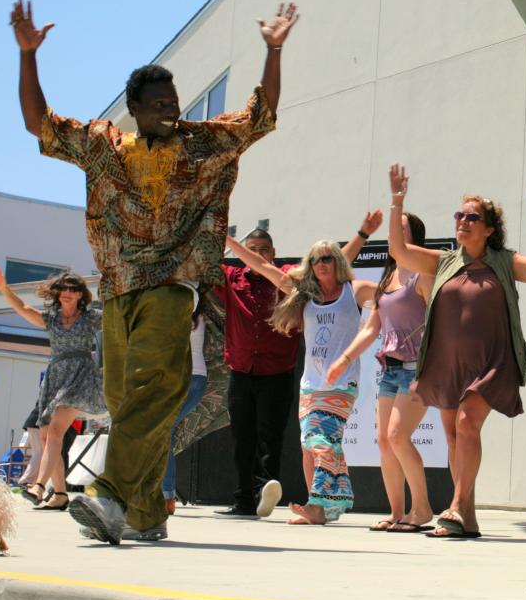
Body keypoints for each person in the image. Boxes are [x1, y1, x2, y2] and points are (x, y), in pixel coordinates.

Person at [11, 0, 294, 544]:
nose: (170, 109)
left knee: (145, 388)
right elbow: (37, 123)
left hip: (173, 285)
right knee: (129, 401)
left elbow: (261, 116)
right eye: (158, 102)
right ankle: (145, 514)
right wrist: (28, 57)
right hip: (119, 290)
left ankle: (111, 495)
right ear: (135, 108)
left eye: (174, 100)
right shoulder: (104, 147)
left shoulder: (201, 142)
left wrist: (274, 50)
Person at [387, 164, 526, 538]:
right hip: (448, 364)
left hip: (494, 363)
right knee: (453, 437)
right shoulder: (443, 261)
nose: (463, 221)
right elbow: (398, 250)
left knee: (467, 424)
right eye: (459, 215)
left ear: (489, 228)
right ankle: (469, 519)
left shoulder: (504, 262)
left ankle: (456, 507)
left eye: (472, 217)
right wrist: (397, 201)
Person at [215, 215, 376, 519]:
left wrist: (363, 233)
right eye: (315, 259)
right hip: (310, 383)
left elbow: (390, 298)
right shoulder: (304, 293)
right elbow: (260, 266)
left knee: (321, 442)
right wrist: (229, 242)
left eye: (327, 258)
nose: (321, 263)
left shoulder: (352, 290)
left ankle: (317, 505)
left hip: (340, 383)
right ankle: (328, 502)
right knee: (308, 446)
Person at [324, 212, 435, 533]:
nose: (390, 234)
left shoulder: (422, 276)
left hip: (417, 370)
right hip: (390, 371)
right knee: (385, 443)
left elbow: (439, 324)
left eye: (398, 229)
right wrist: (344, 359)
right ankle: (397, 513)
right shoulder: (387, 281)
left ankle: (423, 509)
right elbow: (371, 328)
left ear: (413, 238)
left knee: (399, 437)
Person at [0, 267, 106, 510]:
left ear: (80, 296)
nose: (67, 292)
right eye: (63, 288)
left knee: (54, 430)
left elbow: (118, 318)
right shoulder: (51, 319)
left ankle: (39, 486)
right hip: (55, 376)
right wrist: (3, 287)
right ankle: (61, 494)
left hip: (81, 376)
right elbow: (23, 309)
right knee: (46, 435)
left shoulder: (91, 317)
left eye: (73, 290)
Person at [161, 301, 213, 517]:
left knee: (165, 432)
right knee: (165, 434)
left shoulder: (194, 317)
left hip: (192, 379)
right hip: (177, 379)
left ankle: (167, 496)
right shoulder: (185, 314)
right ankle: (165, 495)